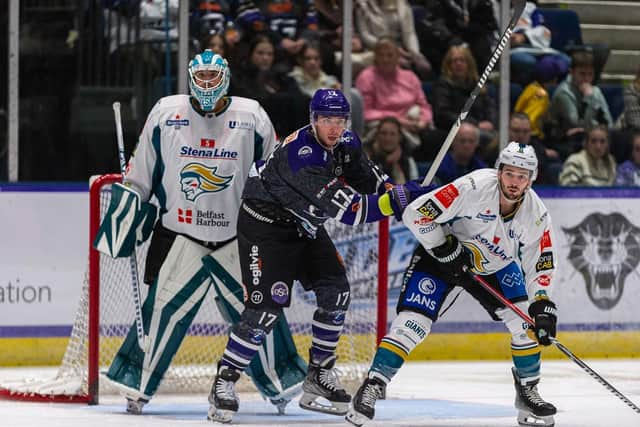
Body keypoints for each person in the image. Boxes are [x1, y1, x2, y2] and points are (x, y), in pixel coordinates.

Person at [207, 88, 431, 423]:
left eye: (339, 120)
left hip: (304, 224)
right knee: (266, 307)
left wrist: (397, 192)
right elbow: (354, 212)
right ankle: (224, 381)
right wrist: (396, 200)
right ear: (313, 120)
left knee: (336, 292)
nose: (332, 127)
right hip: (266, 227)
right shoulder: (303, 157)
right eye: (325, 119)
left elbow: (370, 182)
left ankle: (319, 375)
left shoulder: (347, 142)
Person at [93, 50, 283, 414]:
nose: (207, 85)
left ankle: (281, 384)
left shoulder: (252, 115)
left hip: (238, 238)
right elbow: (141, 175)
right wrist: (129, 208)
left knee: (259, 311)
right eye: (202, 78)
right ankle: (138, 386)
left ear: (225, 78)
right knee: (160, 312)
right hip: (181, 235)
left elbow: (271, 175)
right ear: (190, 79)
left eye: (214, 77)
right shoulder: (166, 113)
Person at [347, 142, 559, 427]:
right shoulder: (472, 186)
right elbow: (415, 213)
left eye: (522, 176)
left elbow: (540, 260)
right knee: (413, 323)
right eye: (510, 173)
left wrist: (542, 302)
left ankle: (528, 392)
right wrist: (444, 249)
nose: (515, 182)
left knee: (526, 325)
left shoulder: (536, 213)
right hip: (442, 256)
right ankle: (373, 385)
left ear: (531, 179)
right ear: (499, 172)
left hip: (495, 266)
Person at [356, 37, 433, 153]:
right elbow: (366, 112)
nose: (385, 59)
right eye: (381, 55)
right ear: (375, 57)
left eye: (390, 55)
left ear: (398, 56)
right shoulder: (366, 77)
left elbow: (424, 105)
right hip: (382, 126)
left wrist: (422, 122)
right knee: (390, 136)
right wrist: (399, 121)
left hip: (412, 122)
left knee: (436, 139)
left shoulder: (410, 77)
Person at [548, 49, 613, 160]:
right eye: (582, 74)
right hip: (565, 139)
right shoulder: (563, 93)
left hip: (589, 135)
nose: (586, 79)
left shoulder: (595, 91)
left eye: (590, 74)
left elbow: (609, 122)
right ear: (572, 72)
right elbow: (575, 122)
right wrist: (589, 98)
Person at [366, 116, 419, 184]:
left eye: (392, 134)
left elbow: (415, 184)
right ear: (377, 135)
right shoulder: (368, 159)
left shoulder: (408, 160)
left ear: (399, 137)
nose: (388, 138)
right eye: (383, 133)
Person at [434, 120, 487, 184]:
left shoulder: (482, 169)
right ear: (453, 142)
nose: (466, 145)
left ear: (477, 143)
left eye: (471, 141)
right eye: (462, 141)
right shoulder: (439, 167)